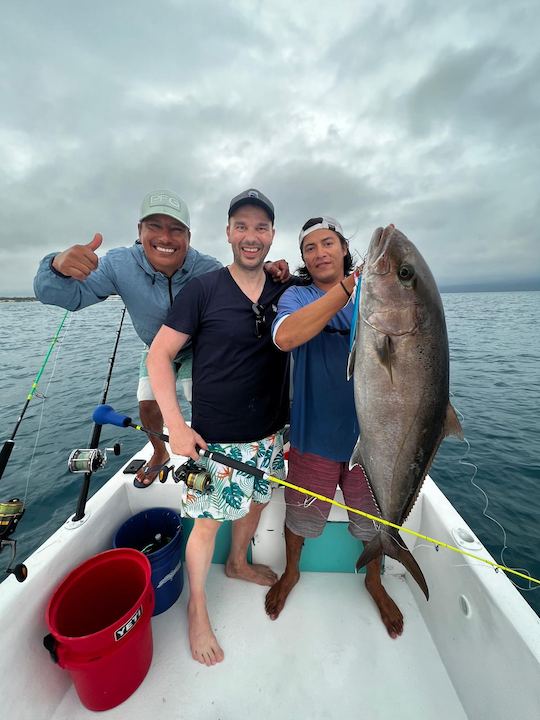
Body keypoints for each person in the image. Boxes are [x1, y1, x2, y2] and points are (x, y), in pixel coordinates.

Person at [33, 190, 288, 487]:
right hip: (156, 345)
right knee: (147, 404)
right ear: (139, 231)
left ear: (189, 237)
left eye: (176, 229)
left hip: (200, 347)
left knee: (204, 400)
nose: (165, 238)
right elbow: (68, 297)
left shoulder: (207, 268)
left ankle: (210, 456)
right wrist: (56, 269)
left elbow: (239, 280)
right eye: (155, 226)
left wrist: (265, 269)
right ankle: (159, 452)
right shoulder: (118, 264)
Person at [147, 189, 295, 666]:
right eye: (242, 226)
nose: (251, 237)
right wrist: (175, 427)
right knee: (206, 523)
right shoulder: (203, 289)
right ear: (229, 233)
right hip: (216, 438)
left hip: (271, 431)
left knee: (256, 500)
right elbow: (159, 355)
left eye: (261, 228)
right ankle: (197, 605)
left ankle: (237, 564)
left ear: (272, 236)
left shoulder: (284, 290)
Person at [264, 216, 404, 639]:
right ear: (304, 258)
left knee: (372, 521)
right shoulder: (298, 295)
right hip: (314, 434)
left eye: (328, 243)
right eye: (310, 247)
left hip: (373, 440)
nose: (320, 252)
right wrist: (346, 290)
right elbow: (286, 337)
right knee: (300, 516)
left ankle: (374, 579)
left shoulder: (377, 294)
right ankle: (291, 572)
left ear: (344, 248)